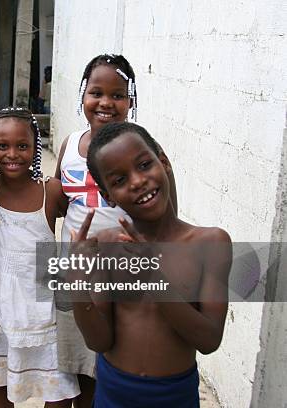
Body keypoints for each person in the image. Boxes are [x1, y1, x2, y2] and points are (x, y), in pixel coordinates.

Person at [70, 122, 231, 407]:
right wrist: (77, 285)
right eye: (119, 181)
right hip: (113, 392)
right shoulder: (107, 245)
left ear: (163, 161)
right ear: (108, 196)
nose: (137, 181)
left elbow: (208, 340)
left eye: (144, 165)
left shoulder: (211, 243)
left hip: (174, 396)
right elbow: (99, 341)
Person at [53, 54, 177, 407]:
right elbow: (61, 203)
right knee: (75, 372)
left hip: (123, 280)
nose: (106, 103)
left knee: (108, 367)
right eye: (96, 92)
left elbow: (167, 218)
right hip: (74, 275)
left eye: (118, 95)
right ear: (82, 95)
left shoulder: (142, 150)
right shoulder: (69, 147)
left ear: (130, 101)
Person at [0, 107, 80, 407]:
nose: (12, 154)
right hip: (2, 307)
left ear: (36, 148)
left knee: (58, 388)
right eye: (2, 146)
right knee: (0, 383)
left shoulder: (51, 191)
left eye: (22, 146)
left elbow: (83, 210)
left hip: (45, 312)